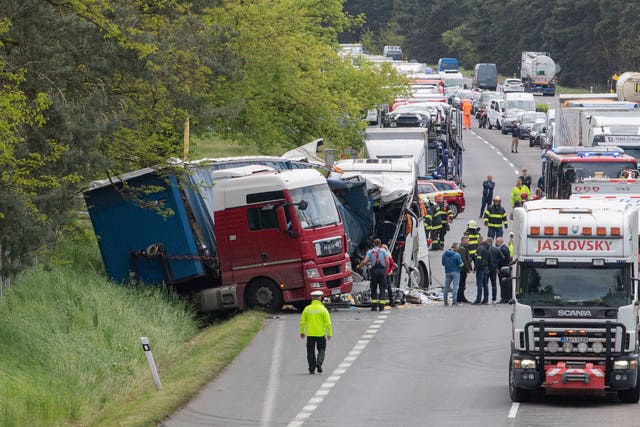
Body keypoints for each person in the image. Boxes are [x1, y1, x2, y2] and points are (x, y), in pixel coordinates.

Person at [300, 290, 332, 374]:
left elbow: (302, 321)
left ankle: (311, 368)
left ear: (312, 298)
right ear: (320, 298)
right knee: (321, 349)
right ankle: (319, 363)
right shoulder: (323, 310)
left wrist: (302, 332)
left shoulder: (307, 309)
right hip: (320, 334)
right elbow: (328, 323)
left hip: (310, 334)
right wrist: (329, 333)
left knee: (310, 352)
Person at [357, 238, 390, 311]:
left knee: (374, 288)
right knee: (382, 288)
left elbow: (365, 261)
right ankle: (381, 307)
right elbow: (387, 261)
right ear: (380, 244)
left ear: (374, 244)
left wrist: (359, 266)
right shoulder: (383, 251)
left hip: (374, 271)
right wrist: (386, 270)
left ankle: (374, 306)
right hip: (382, 271)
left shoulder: (370, 252)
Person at [473, 236, 490, 304]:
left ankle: (478, 299)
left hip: (480, 268)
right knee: (485, 284)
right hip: (486, 267)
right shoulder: (487, 248)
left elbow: (478, 259)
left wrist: (475, 268)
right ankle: (485, 299)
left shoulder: (480, 248)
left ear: (479, 241)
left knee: (479, 284)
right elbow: (489, 258)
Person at [486, 237, 504, 304]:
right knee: (494, 284)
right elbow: (502, 257)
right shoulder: (496, 249)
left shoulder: (485, 249)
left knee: (486, 284)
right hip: (494, 268)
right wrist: (497, 263)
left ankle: (486, 298)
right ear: (492, 242)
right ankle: (494, 299)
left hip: (487, 268)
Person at [457, 236, 473, 304]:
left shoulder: (465, 248)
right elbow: (464, 260)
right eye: (467, 240)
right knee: (461, 284)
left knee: (463, 284)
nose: (468, 242)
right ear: (463, 241)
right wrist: (467, 268)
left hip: (463, 270)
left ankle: (462, 297)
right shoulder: (462, 249)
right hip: (462, 270)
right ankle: (459, 298)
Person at [496, 237, 511, 303]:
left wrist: (498, 268)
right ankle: (506, 297)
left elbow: (502, 260)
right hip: (505, 269)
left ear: (501, 242)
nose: (496, 243)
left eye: (497, 242)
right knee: (504, 284)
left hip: (503, 269)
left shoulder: (503, 249)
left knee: (503, 284)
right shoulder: (504, 248)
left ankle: (504, 298)